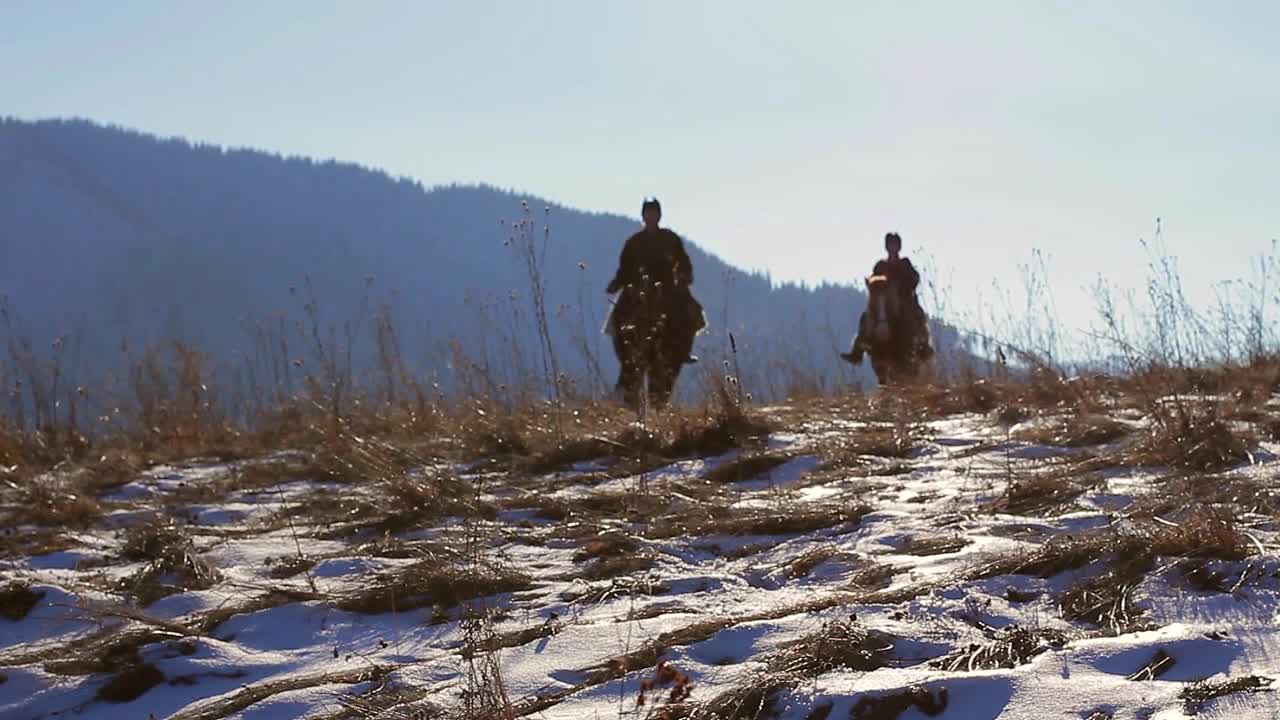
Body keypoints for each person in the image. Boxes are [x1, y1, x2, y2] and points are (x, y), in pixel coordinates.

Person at [606, 198, 705, 406]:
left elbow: (684, 263)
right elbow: (624, 269)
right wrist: (617, 283)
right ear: (643, 216)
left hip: (667, 288)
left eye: (654, 213)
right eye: (648, 213)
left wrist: (684, 276)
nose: (651, 217)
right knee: (617, 321)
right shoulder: (634, 242)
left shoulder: (670, 239)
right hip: (638, 288)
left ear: (659, 215)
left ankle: (684, 349)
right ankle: (626, 358)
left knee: (692, 315)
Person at [841, 231, 931, 365]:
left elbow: (915, 279)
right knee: (866, 317)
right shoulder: (880, 265)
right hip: (883, 301)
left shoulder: (905, 264)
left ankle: (923, 346)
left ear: (899, 247)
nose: (892, 247)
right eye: (890, 245)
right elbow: (874, 281)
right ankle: (858, 350)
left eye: (895, 245)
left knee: (917, 315)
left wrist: (904, 285)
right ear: (886, 247)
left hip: (903, 299)